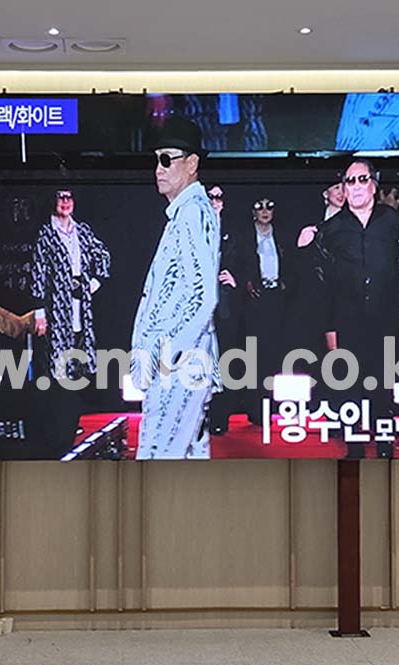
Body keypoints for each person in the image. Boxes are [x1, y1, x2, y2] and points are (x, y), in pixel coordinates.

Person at [131, 116, 220, 459]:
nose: (159, 168)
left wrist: (165, 356)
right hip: (183, 366)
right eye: (156, 159)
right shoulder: (186, 213)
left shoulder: (192, 213)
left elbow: (203, 296)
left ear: (192, 164)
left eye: (167, 159)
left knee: (157, 459)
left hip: (179, 368)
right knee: (187, 460)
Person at [316, 160, 399, 458]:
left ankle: (385, 444)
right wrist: (329, 327)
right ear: (344, 189)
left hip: (385, 317)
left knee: (383, 383)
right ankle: (354, 447)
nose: (357, 186)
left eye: (362, 179)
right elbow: (322, 283)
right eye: (350, 181)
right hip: (347, 321)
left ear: (374, 185)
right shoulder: (331, 230)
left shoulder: (392, 222)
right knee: (348, 385)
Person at [30, 188, 111, 453]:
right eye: (60, 197)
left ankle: (69, 425)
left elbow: (103, 256)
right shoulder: (46, 234)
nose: (65, 202)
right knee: (58, 371)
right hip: (57, 312)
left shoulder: (82, 231)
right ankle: (57, 432)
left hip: (80, 311)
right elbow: (38, 272)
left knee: (77, 370)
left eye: (69, 197)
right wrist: (39, 312)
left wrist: (93, 284)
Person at [241, 197, 291, 425]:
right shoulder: (245, 236)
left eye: (269, 206)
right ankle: (253, 406)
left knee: (273, 355)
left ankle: (268, 406)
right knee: (253, 356)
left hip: (276, 300)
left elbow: (291, 264)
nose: (264, 211)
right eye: (259, 206)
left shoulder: (281, 235)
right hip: (254, 302)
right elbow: (239, 263)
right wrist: (248, 283)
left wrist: (285, 284)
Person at [206, 185, 243, 435]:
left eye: (219, 197)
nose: (215, 201)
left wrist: (235, 278)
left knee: (225, 359)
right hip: (199, 305)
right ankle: (199, 416)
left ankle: (220, 417)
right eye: (211, 196)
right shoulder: (194, 227)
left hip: (225, 305)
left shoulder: (233, 231)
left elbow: (246, 261)